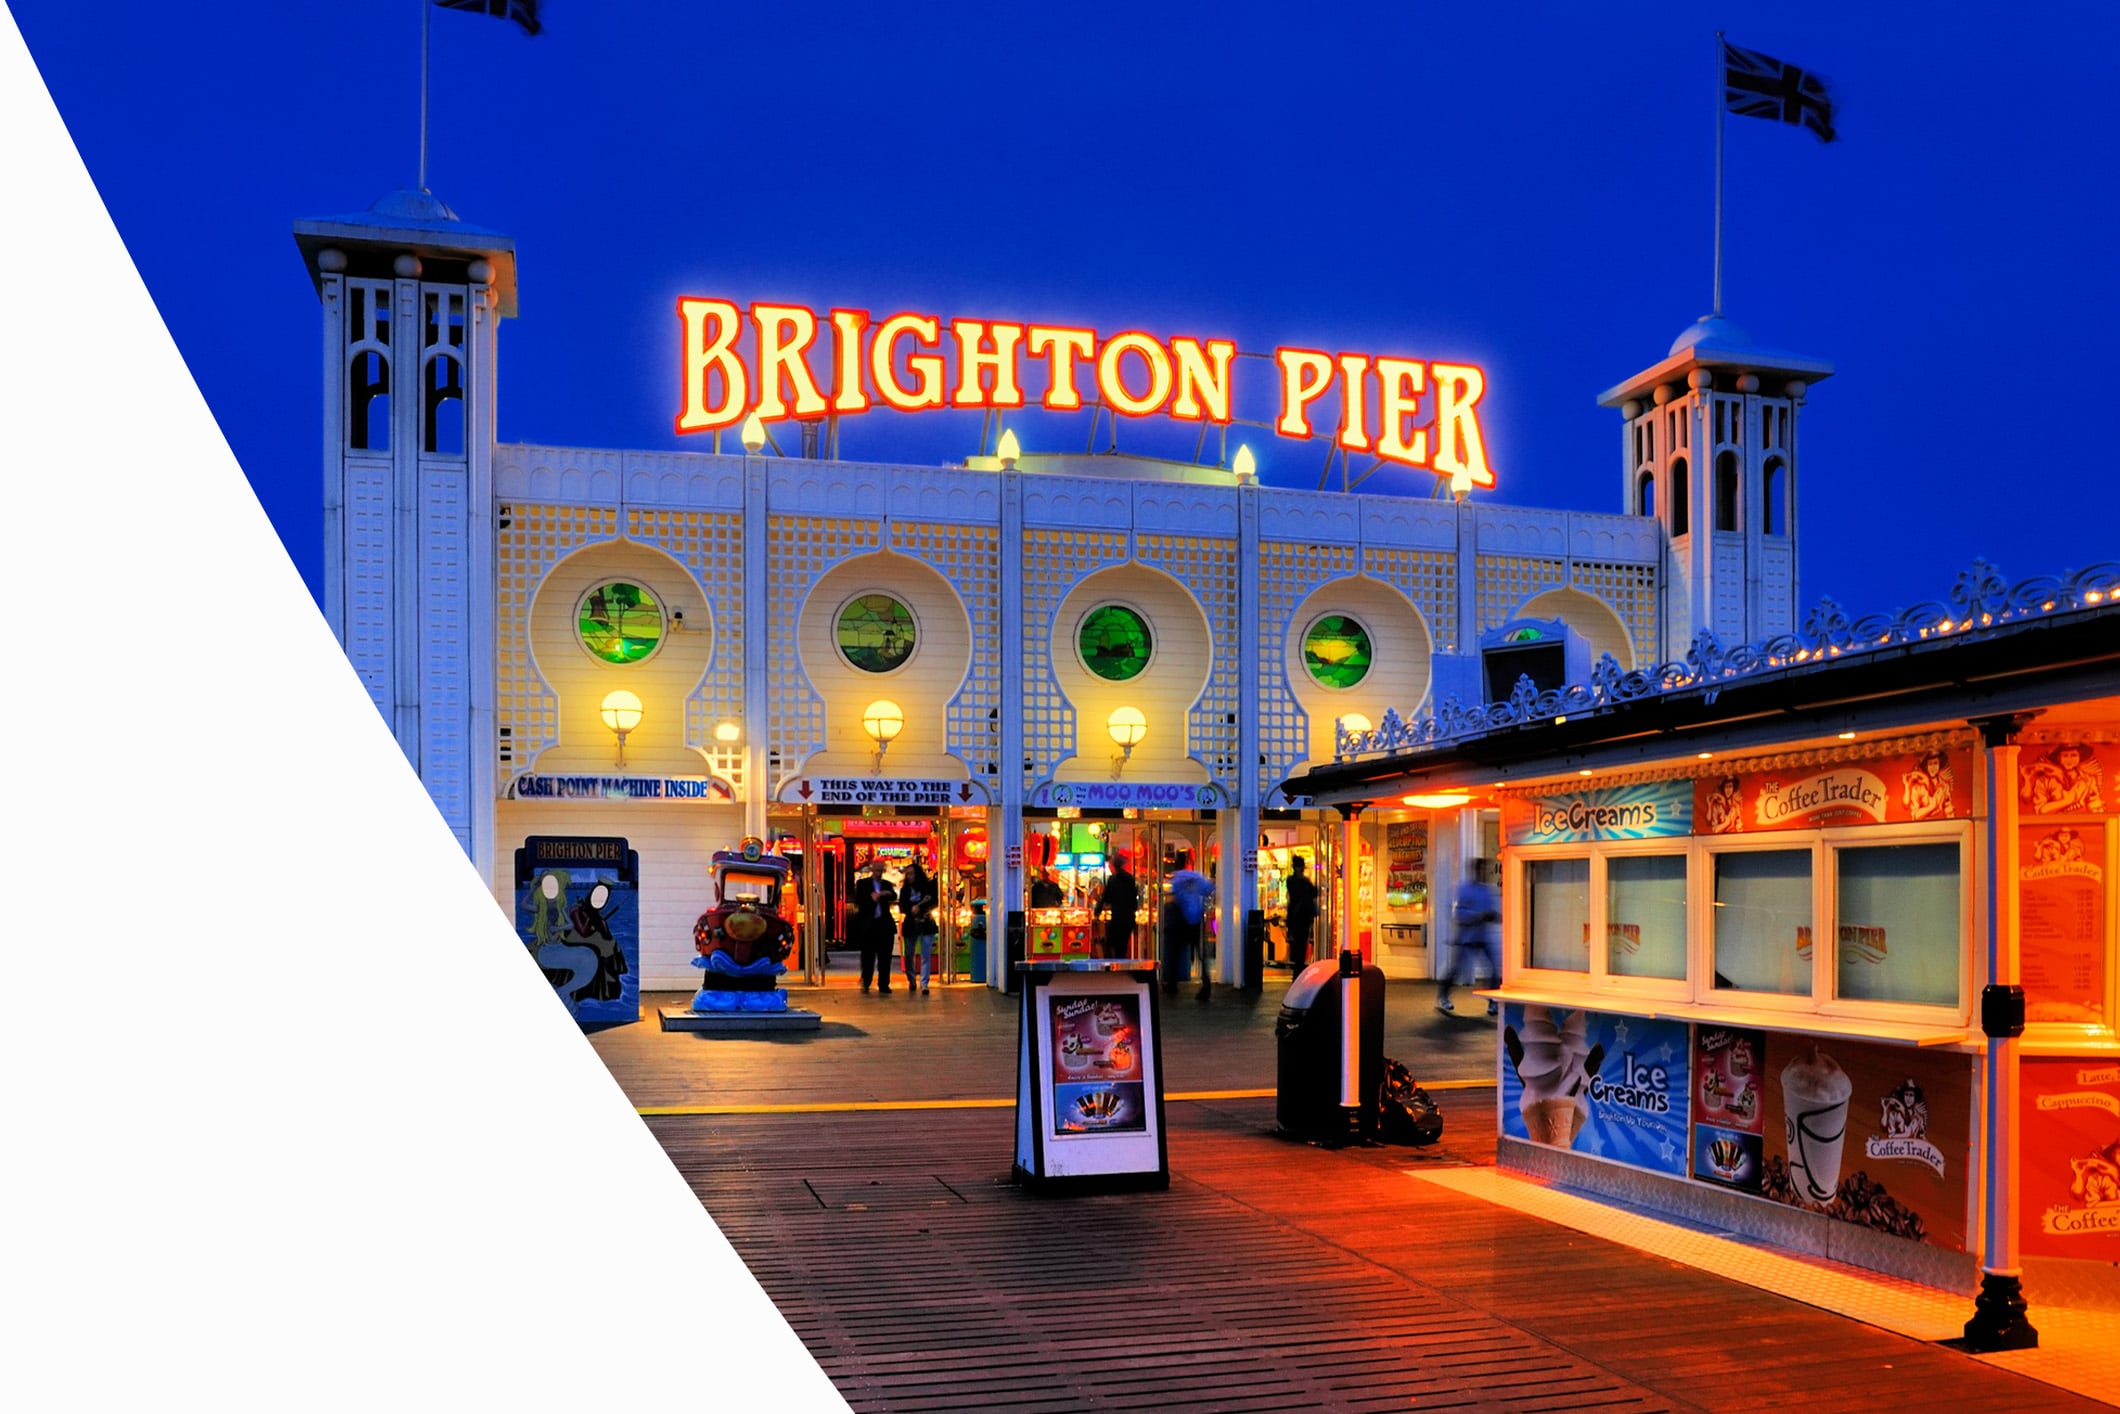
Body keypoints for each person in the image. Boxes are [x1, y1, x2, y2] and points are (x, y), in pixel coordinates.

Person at [1436, 857, 1500, 1016]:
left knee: (1494, 969)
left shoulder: (1487, 890)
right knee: (1457, 969)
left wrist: (1495, 916)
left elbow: (1491, 911)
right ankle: (1443, 996)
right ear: (1475, 871)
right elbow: (1458, 914)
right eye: (1482, 870)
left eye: (1486, 870)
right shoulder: (1464, 889)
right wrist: (1478, 916)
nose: (1485, 873)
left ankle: (1493, 1001)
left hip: (1482, 936)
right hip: (1467, 937)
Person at [850, 857, 898, 994]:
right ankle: (866, 980)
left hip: (884, 925)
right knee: (868, 956)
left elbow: (893, 895)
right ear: (871, 869)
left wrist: (884, 894)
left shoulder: (886, 884)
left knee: (885, 957)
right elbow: (858, 899)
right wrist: (871, 898)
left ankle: (884, 984)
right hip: (869, 925)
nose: (879, 872)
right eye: (876, 870)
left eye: (881, 870)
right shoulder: (863, 884)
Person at [1165, 866, 1213, 1000]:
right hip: (1196, 920)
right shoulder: (1198, 877)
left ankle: (1172, 984)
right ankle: (1206, 985)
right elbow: (1209, 890)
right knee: (1202, 955)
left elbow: (1173, 898)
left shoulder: (1177, 878)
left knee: (1175, 953)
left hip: (1181, 922)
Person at [899, 856, 940, 994]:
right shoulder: (905, 890)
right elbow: (902, 906)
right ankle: (911, 979)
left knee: (925, 955)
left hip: (926, 923)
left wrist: (922, 909)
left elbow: (934, 901)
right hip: (911, 924)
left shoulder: (927, 887)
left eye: (912, 873)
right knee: (909, 954)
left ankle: (924, 983)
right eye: (908, 874)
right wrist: (911, 909)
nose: (909, 876)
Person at [1095, 856, 1139, 959]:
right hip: (1128, 918)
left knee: (1113, 944)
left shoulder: (1113, 880)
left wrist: (1098, 910)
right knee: (1123, 945)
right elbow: (1134, 899)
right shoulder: (1130, 879)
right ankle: (1121, 963)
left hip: (1117, 918)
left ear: (1114, 866)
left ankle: (1116, 966)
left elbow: (1106, 898)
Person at [1283, 855, 1319, 969]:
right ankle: (1298, 969)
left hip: (1297, 917)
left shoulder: (1294, 881)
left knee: (1299, 946)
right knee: (1300, 946)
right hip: (1300, 917)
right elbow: (1313, 892)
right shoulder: (1300, 882)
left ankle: (1297, 970)